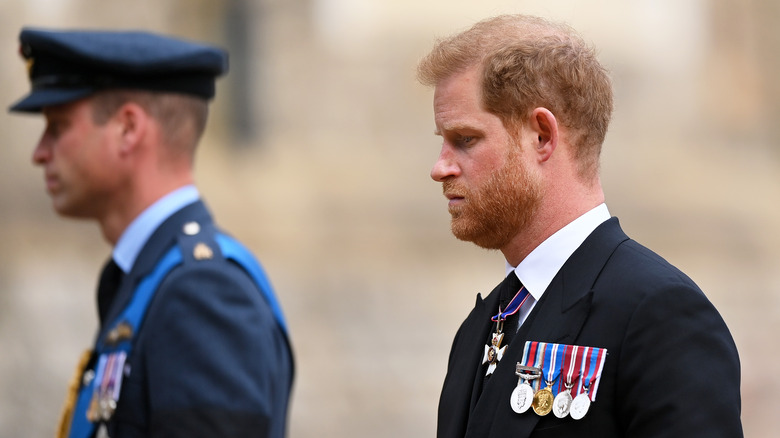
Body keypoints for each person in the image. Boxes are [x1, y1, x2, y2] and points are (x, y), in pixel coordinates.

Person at [417, 14, 742, 437]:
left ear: (542, 136)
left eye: (465, 140)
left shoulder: (660, 315)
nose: (440, 168)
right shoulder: (483, 325)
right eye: (442, 141)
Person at [9, 28, 294, 438]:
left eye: (58, 126)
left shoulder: (201, 292)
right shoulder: (153, 277)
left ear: (128, 129)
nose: (40, 152)